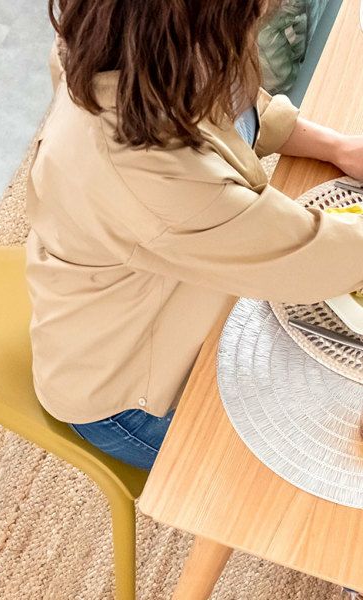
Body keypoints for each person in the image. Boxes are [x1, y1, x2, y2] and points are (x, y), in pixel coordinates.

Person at [24, 0, 363, 472]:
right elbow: (311, 260)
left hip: (146, 291)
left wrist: (336, 147)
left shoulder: (115, 41)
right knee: (326, 472)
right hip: (132, 398)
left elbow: (236, 112)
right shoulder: (152, 175)